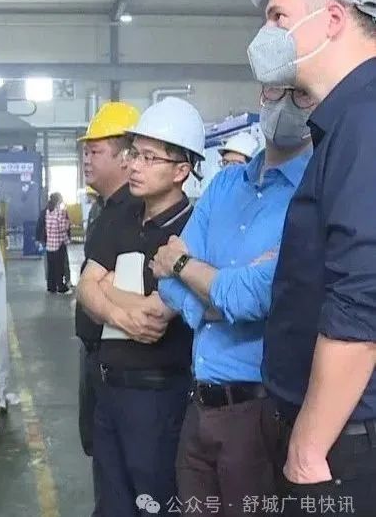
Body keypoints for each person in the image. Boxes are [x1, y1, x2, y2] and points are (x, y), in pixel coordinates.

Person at [247, 0, 376, 515]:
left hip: (343, 444)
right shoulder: (344, 121)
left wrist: (307, 449)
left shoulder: (366, 119)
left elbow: (364, 300)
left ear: (333, 19)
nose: (265, 35)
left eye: (278, 16)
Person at [153, 87, 314, 516]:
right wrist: (220, 293)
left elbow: (256, 295)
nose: (283, 102)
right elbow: (168, 285)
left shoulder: (312, 194)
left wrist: (186, 265)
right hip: (198, 406)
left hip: (259, 413)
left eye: (299, 93)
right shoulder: (225, 184)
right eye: (274, 89)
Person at [77, 97, 205, 516]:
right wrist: (117, 310)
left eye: (149, 158)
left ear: (181, 170)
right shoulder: (121, 214)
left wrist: (108, 287)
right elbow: (85, 286)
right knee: (112, 504)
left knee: (153, 502)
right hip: (108, 389)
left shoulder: (193, 229)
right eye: (134, 154)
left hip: (158, 397)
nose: (135, 166)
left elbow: (154, 318)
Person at [76, 101, 141, 517]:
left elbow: (126, 289)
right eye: (85, 151)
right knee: (103, 456)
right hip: (95, 352)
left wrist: (99, 290)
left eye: (95, 151)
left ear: (124, 157)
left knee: (123, 471)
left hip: (120, 359)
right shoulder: (104, 209)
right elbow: (93, 283)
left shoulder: (134, 211)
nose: (86, 159)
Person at [44, 192, 70, 293]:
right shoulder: (60, 212)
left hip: (50, 244)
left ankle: (51, 286)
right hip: (58, 244)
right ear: (58, 201)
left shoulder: (48, 211)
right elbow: (62, 228)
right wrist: (67, 222)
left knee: (51, 267)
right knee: (59, 266)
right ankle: (60, 286)